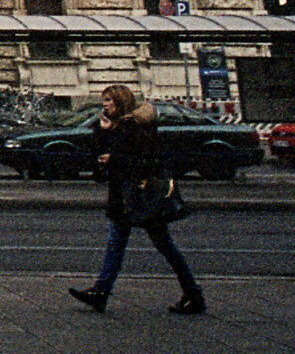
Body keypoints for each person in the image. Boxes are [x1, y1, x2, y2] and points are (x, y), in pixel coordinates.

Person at [69, 85, 205, 315]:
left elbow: (151, 164)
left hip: (141, 198)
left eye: (109, 100)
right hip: (124, 198)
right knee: (122, 245)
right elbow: (101, 156)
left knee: (162, 246)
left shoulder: (138, 129)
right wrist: (102, 133)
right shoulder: (117, 127)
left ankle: (193, 294)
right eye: (104, 100)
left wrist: (115, 159)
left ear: (121, 102)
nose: (105, 104)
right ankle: (101, 292)